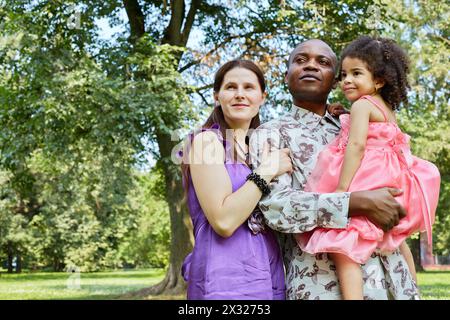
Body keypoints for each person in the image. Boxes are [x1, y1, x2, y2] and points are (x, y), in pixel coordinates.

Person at [249, 39, 421, 299]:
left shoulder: (351, 125)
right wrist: (351, 202)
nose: (311, 66)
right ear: (286, 76)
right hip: (323, 283)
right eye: (300, 60)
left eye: (323, 62)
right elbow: (276, 209)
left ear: (334, 81)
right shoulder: (271, 133)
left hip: (392, 279)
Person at [295, 36, 441, 300]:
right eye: (344, 75)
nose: (347, 80)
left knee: (343, 242)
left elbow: (357, 146)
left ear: (378, 80)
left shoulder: (362, 105)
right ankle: (412, 289)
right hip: (391, 174)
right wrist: (341, 114)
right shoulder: (383, 107)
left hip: (368, 174)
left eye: (356, 73)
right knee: (394, 238)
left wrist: (341, 190)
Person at [181, 60, 293, 299]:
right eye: (231, 87)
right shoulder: (207, 142)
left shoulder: (261, 148)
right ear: (216, 96)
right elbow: (223, 221)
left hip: (268, 272)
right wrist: (268, 170)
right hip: (224, 278)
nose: (240, 94)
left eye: (248, 87)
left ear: (262, 97)